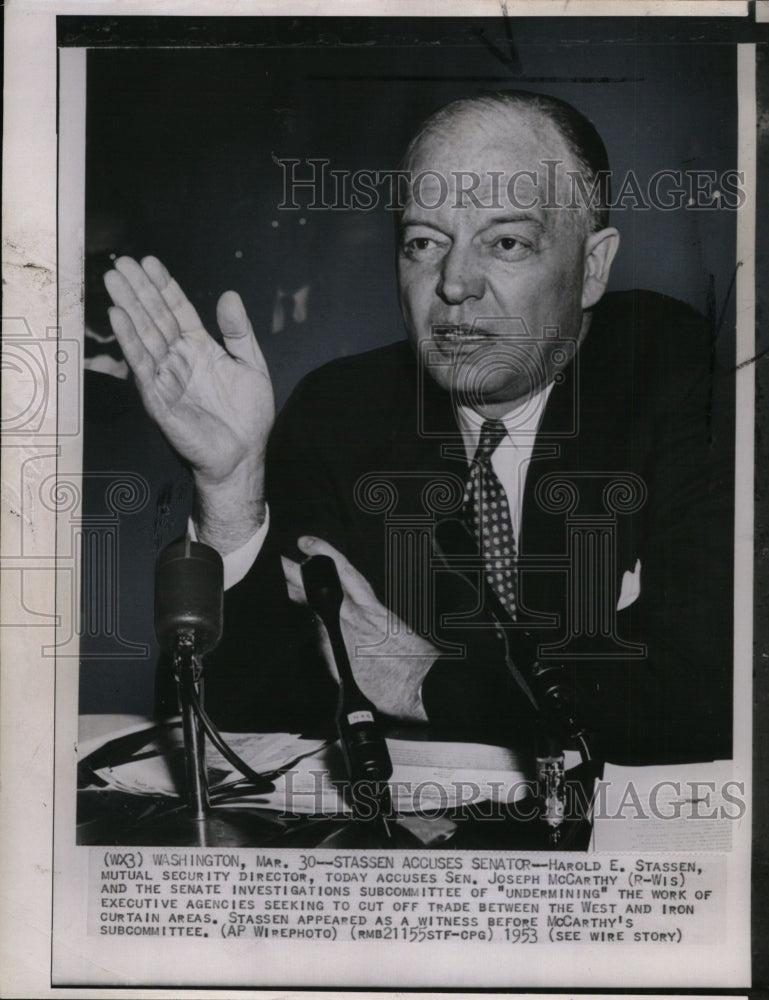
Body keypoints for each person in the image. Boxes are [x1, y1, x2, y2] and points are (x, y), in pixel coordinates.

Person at [103, 90, 733, 765]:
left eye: (507, 242)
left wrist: (421, 681)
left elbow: (708, 698)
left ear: (593, 267)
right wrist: (229, 491)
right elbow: (238, 733)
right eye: (423, 242)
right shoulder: (341, 411)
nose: (454, 283)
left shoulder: (692, 383)